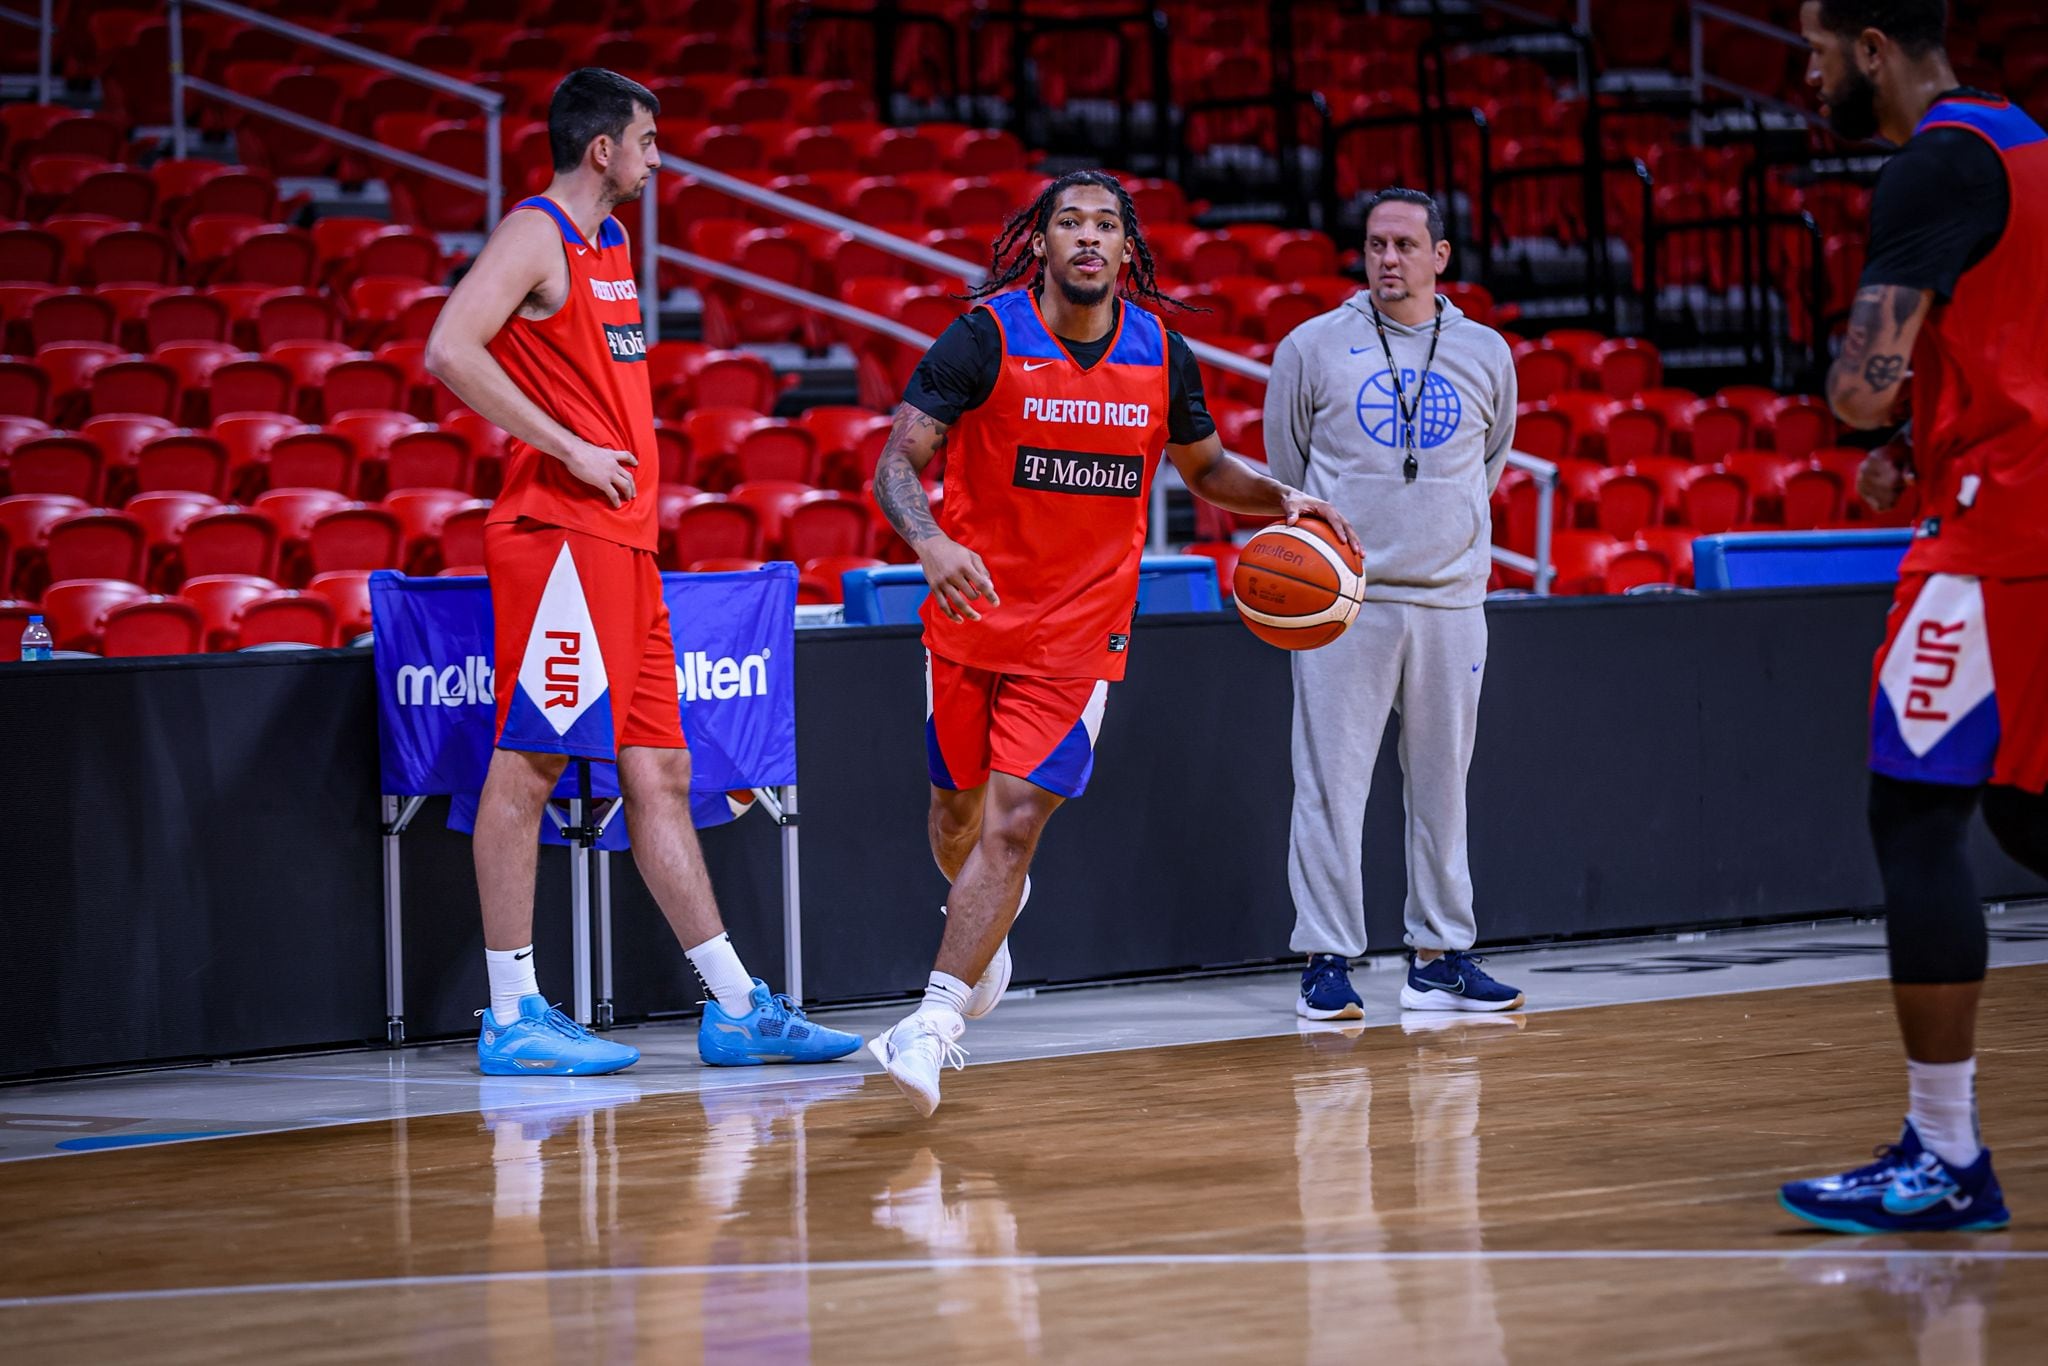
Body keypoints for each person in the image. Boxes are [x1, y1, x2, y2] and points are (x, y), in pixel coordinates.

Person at [863, 169, 1361, 1116]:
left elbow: (1206, 467)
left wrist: (1281, 497)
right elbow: (897, 460)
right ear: (1042, 243)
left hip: (1083, 632)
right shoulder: (984, 336)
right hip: (972, 616)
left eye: (1106, 226)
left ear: (1128, 249)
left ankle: (932, 1021)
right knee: (956, 816)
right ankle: (986, 934)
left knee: (1014, 821)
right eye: (1069, 224)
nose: (1089, 238)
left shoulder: (1162, 351)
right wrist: (928, 541)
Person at [424, 68, 860, 1075]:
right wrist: (569, 447)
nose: (660, 159)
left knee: (661, 769)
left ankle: (738, 1006)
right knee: (528, 762)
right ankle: (509, 1012)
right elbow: (449, 348)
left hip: (624, 546)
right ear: (601, 149)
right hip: (558, 537)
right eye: (649, 141)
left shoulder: (612, 243)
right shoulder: (535, 231)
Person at [1779, 0, 2048, 1233]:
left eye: (1819, 50)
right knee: (2028, 814)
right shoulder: (2026, 144)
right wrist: (1921, 434)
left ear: (1871, 52)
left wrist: (1868, 395)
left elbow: (1854, 388)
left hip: (1997, 538)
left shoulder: (1929, 163)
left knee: (1914, 811)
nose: (1807, 72)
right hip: (2018, 505)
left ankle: (1942, 1153)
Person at [1265, 188, 1524, 1022]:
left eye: (1406, 245)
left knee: (1445, 785)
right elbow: (1288, 466)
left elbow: (1488, 466)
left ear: (1439, 256)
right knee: (1331, 785)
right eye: (1376, 244)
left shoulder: (1486, 352)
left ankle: (1440, 956)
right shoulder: (1311, 346)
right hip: (1345, 601)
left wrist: (1437, 538)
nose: (1388, 259)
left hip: (1453, 602)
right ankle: (1328, 956)